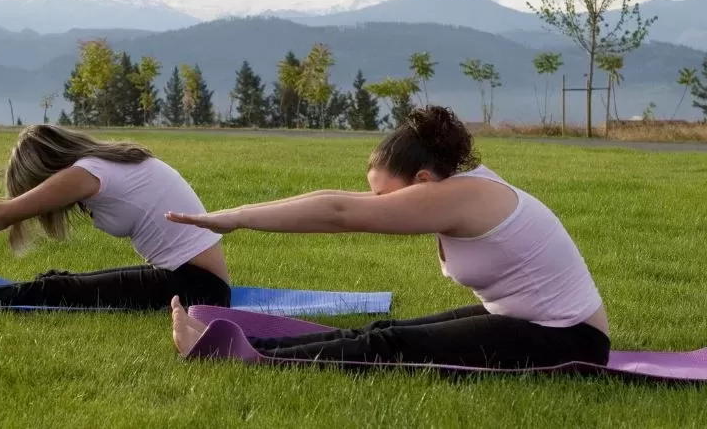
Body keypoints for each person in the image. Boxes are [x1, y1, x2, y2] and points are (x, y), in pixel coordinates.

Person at [166, 105, 610, 370]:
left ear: (421, 179)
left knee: (391, 347)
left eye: (383, 196)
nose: (375, 203)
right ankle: (250, 347)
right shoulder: (457, 188)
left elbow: (338, 214)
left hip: (568, 340)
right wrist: (237, 215)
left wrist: (238, 218)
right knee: (386, 330)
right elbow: (336, 198)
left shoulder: (463, 195)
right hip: (524, 321)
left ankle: (238, 354)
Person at [0, 125, 231, 311]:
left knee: (54, 292)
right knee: (57, 283)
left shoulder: (87, 173)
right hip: (189, 280)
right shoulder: (105, 163)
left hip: (196, 289)